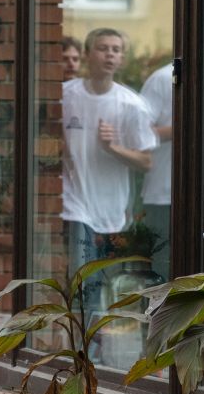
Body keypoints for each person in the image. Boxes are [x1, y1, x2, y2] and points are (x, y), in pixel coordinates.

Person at [60, 27, 156, 320]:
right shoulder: (66, 95)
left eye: (116, 50)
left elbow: (145, 161)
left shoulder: (131, 105)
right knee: (83, 279)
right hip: (74, 204)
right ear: (89, 54)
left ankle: (97, 343)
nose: (110, 54)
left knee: (103, 283)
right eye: (103, 48)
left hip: (112, 211)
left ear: (122, 59)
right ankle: (82, 347)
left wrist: (112, 147)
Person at [140, 61, 174, 280]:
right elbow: (139, 132)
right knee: (164, 272)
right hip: (163, 194)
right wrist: (185, 127)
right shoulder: (162, 78)